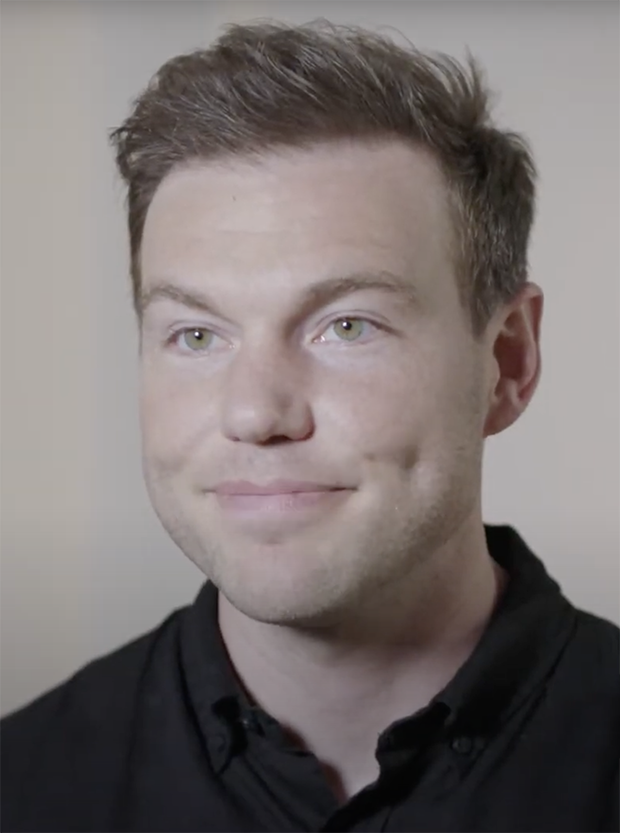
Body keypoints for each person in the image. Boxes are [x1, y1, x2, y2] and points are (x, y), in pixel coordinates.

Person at [1, 19, 618, 833]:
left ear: (506, 360)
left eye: (348, 326)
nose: (255, 412)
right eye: (196, 334)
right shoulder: (24, 786)